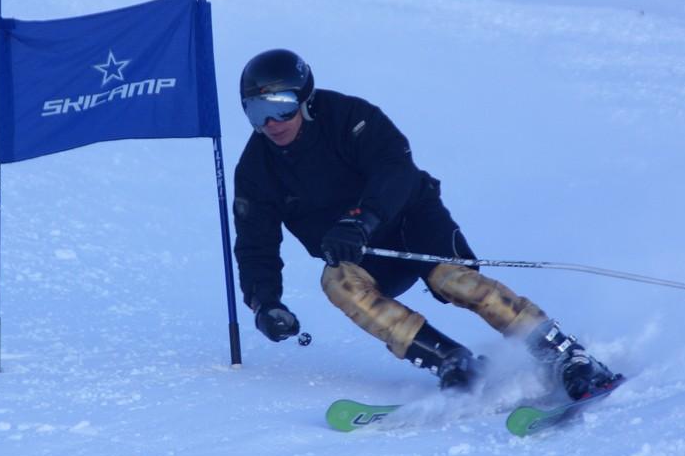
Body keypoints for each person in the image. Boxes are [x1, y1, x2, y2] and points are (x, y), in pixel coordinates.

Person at [232, 49, 617, 399]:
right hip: (361, 255)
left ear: (305, 99)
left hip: (411, 221)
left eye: (281, 107)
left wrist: (363, 219)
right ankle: (449, 360)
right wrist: (265, 302)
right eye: (256, 111)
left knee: (455, 280)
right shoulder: (256, 171)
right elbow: (255, 242)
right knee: (337, 282)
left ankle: (565, 354)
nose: (271, 123)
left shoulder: (350, 118)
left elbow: (396, 168)